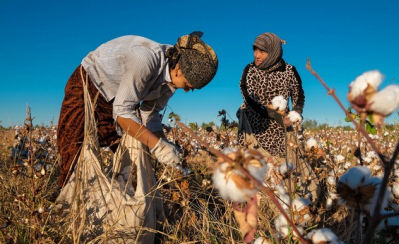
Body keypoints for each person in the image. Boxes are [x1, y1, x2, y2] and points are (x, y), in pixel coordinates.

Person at [57, 32, 218, 187]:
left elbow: (151, 113)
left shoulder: (170, 83)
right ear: (179, 70)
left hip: (119, 99)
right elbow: (122, 112)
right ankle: (65, 204)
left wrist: (165, 145)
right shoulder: (145, 59)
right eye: (189, 85)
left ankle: (119, 202)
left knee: (131, 161)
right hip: (89, 84)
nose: (187, 90)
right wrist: (157, 146)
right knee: (72, 150)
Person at [237, 32, 320, 204]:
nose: (256, 55)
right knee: (261, 178)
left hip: (284, 131)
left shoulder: (289, 71)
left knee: (293, 173)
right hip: (256, 129)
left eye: (262, 51)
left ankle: (302, 209)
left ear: (273, 52)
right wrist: (276, 116)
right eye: (255, 50)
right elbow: (250, 100)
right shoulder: (250, 70)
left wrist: (295, 114)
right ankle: (265, 216)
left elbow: (299, 95)